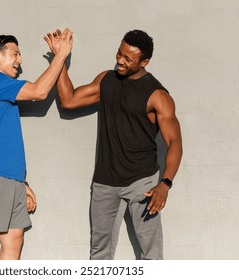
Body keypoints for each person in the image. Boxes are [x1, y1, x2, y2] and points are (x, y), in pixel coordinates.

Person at [44, 29, 182, 260]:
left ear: (144, 62)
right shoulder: (107, 80)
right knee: (99, 254)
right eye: (119, 53)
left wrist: (164, 184)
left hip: (142, 182)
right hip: (104, 182)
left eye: (128, 58)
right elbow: (69, 100)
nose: (120, 60)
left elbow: (175, 141)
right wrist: (60, 58)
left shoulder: (157, 95)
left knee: (152, 255)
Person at [0, 28, 73, 260]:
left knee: (13, 245)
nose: (19, 61)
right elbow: (39, 92)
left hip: (11, 180)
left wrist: (21, 183)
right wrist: (61, 55)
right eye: (15, 54)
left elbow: (6, 141)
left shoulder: (4, 90)